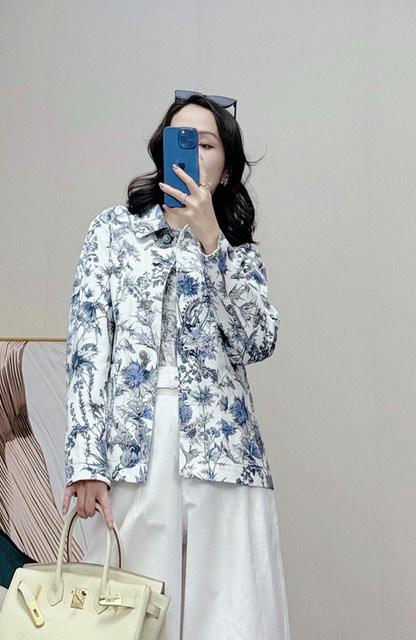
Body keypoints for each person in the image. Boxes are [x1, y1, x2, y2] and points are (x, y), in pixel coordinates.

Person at [62, 91, 291, 640]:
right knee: (131, 619)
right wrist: (86, 461)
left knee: (232, 621)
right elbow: (88, 348)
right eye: (180, 139)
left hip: (224, 456)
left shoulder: (236, 249)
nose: (190, 151)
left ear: (226, 170)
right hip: (132, 452)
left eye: (206, 143)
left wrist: (213, 242)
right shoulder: (112, 231)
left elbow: (258, 341)